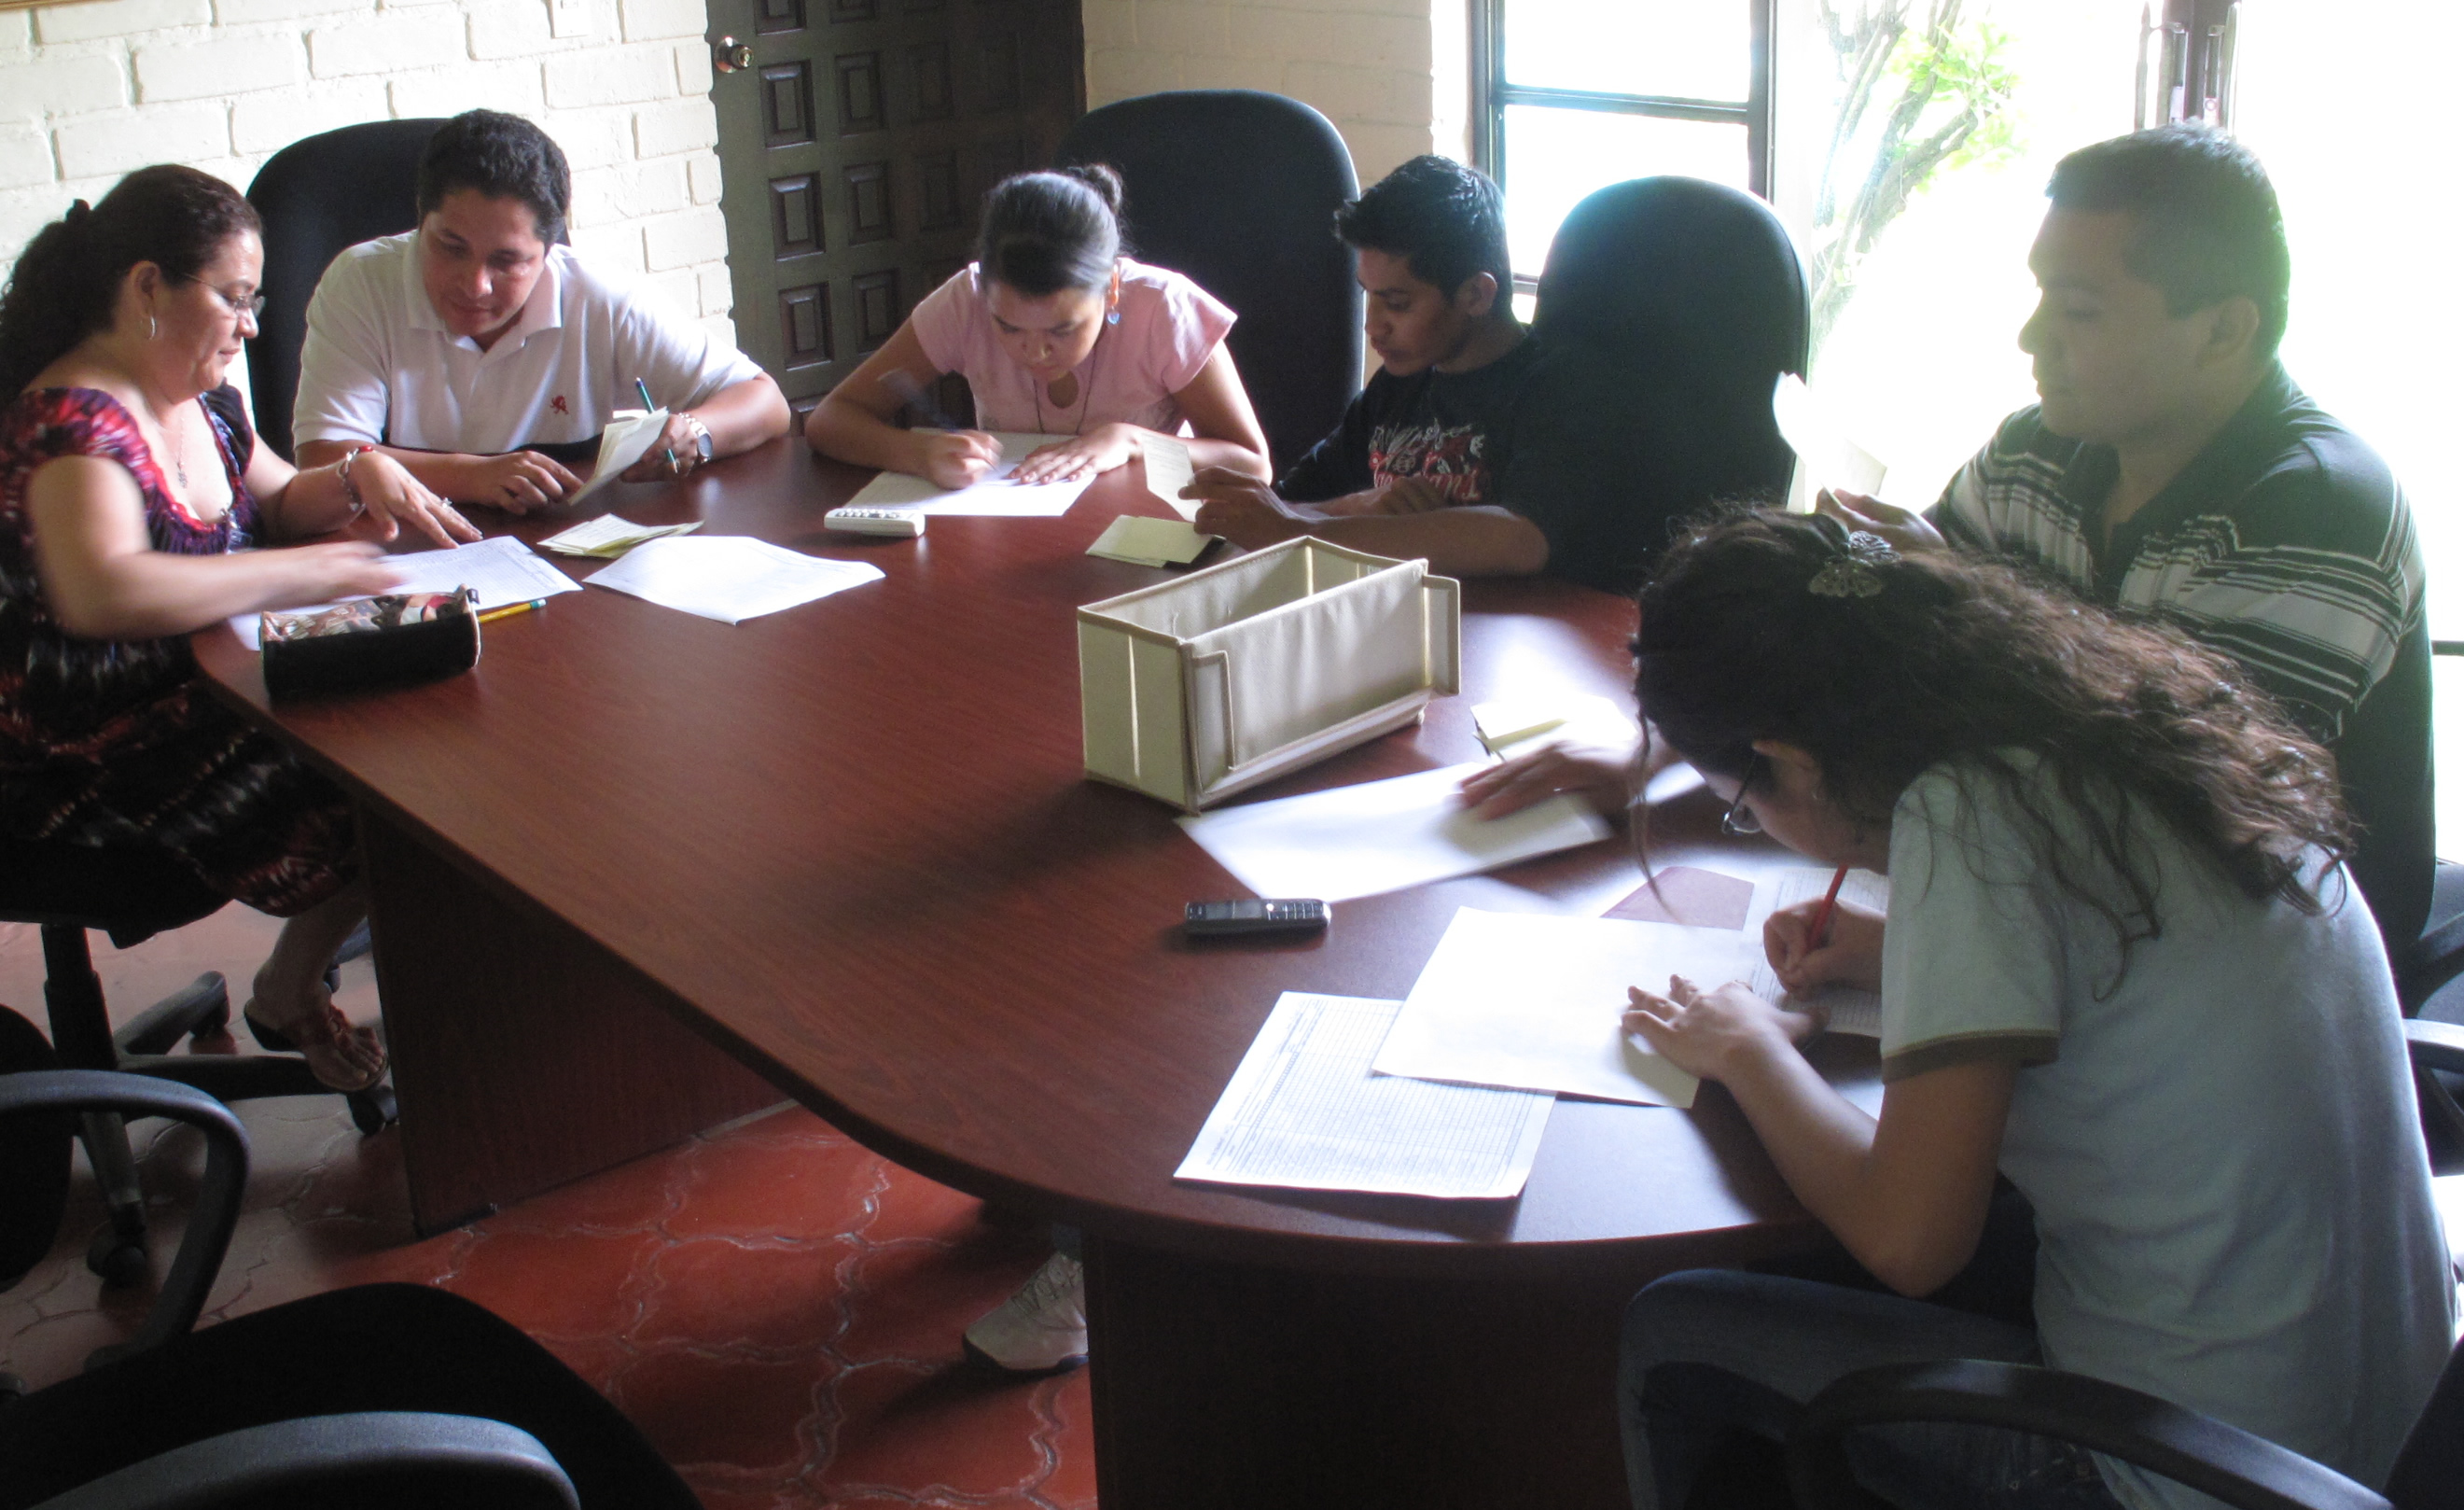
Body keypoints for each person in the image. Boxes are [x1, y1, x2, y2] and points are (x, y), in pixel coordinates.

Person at [1610, 509, 2452, 1510]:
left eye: (1743, 803)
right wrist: (1899, 954)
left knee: (1673, 1329)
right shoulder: (2104, 717)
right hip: (2388, 1417)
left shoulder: (1966, 817)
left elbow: (1911, 1241)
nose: (1761, 827)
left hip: (2185, 1469)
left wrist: (1747, 1046)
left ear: (1784, 754)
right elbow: (2119, 957)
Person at [1822, 124, 2432, 958]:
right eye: (2039, 296)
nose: (2031, 338)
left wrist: (1967, 593)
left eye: (2078, 309)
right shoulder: (2037, 449)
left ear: (2222, 332)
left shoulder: (2317, 509)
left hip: (2254, 961)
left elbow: (2163, 814)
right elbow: (1916, 651)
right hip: (2061, 905)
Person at [0, 167, 479, 1091]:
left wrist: (356, 477)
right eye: (233, 298)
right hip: (83, 754)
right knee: (399, 790)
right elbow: (103, 592)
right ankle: (295, 985)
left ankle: (290, 980)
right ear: (147, 287)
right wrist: (302, 572)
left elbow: (280, 498)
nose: (252, 324)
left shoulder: (204, 398)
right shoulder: (72, 424)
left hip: (199, 691)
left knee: (429, 743)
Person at [292, 110, 790, 510]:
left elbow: (766, 403)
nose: (475, 284)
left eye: (507, 261)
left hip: (562, 548)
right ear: (421, 222)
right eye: (450, 247)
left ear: (550, 252)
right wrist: (477, 476)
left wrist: (698, 434)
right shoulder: (360, 283)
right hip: (402, 545)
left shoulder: (598, 295)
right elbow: (326, 457)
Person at [1182, 155, 1554, 578]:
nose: (1372, 326)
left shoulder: (1553, 387)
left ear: (1475, 295)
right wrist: (1355, 507)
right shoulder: (1399, 385)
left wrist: (1297, 531)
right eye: (1369, 297)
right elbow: (1285, 504)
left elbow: (1520, 540)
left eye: (1397, 304)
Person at [803, 164, 1270, 488]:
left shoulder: (1163, 309)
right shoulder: (965, 301)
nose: (1034, 352)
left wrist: (1131, 441)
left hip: (1143, 533)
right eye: (1008, 328)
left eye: (1061, 331)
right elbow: (831, 419)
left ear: (1110, 289)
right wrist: (917, 454)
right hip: (1013, 540)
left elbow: (1251, 465)